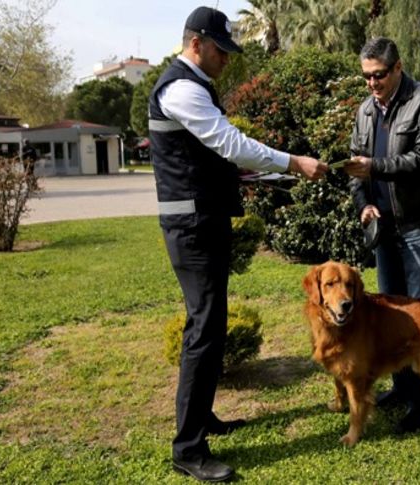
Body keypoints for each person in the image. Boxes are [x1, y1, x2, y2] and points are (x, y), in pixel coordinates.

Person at [148, 6, 326, 482]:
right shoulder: (182, 89)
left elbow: (225, 160)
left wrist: (270, 173)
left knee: (208, 324)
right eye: (221, 50)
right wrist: (293, 163)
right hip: (192, 227)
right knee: (204, 328)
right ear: (195, 45)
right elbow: (230, 144)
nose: (227, 60)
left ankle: (202, 419)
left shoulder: (194, 87)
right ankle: (188, 448)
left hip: (202, 221)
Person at [345, 37, 420, 434]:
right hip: (384, 227)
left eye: (379, 75)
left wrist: (374, 167)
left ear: (398, 67)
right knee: (390, 316)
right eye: (367, 77)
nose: (372, 83)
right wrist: (363, 204)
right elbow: (356, 166)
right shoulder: (366, 109)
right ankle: (403, 389)